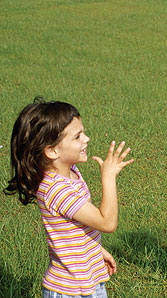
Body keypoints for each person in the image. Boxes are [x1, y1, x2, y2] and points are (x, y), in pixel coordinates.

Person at [4, 97, 134, 297]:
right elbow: (107, 223)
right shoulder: (57, 190)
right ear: (52, 150)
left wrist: (96, 251)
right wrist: (108, 177)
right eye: (77, 137)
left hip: (88, 281)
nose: (87, 139)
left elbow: (74, 229)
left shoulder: (71, 173)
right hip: (69, 290)